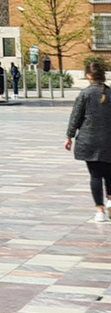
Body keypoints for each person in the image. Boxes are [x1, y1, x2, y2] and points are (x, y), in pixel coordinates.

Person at [64, 59, 111, 223]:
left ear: (88, 76)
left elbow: (75, 117)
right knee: (109, 173)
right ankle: (110, 200)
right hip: (108, 140)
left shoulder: (85, 94)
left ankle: (100, 211)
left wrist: (69, 136)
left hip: (89, 141)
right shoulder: (110, 93)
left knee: (96, 176)